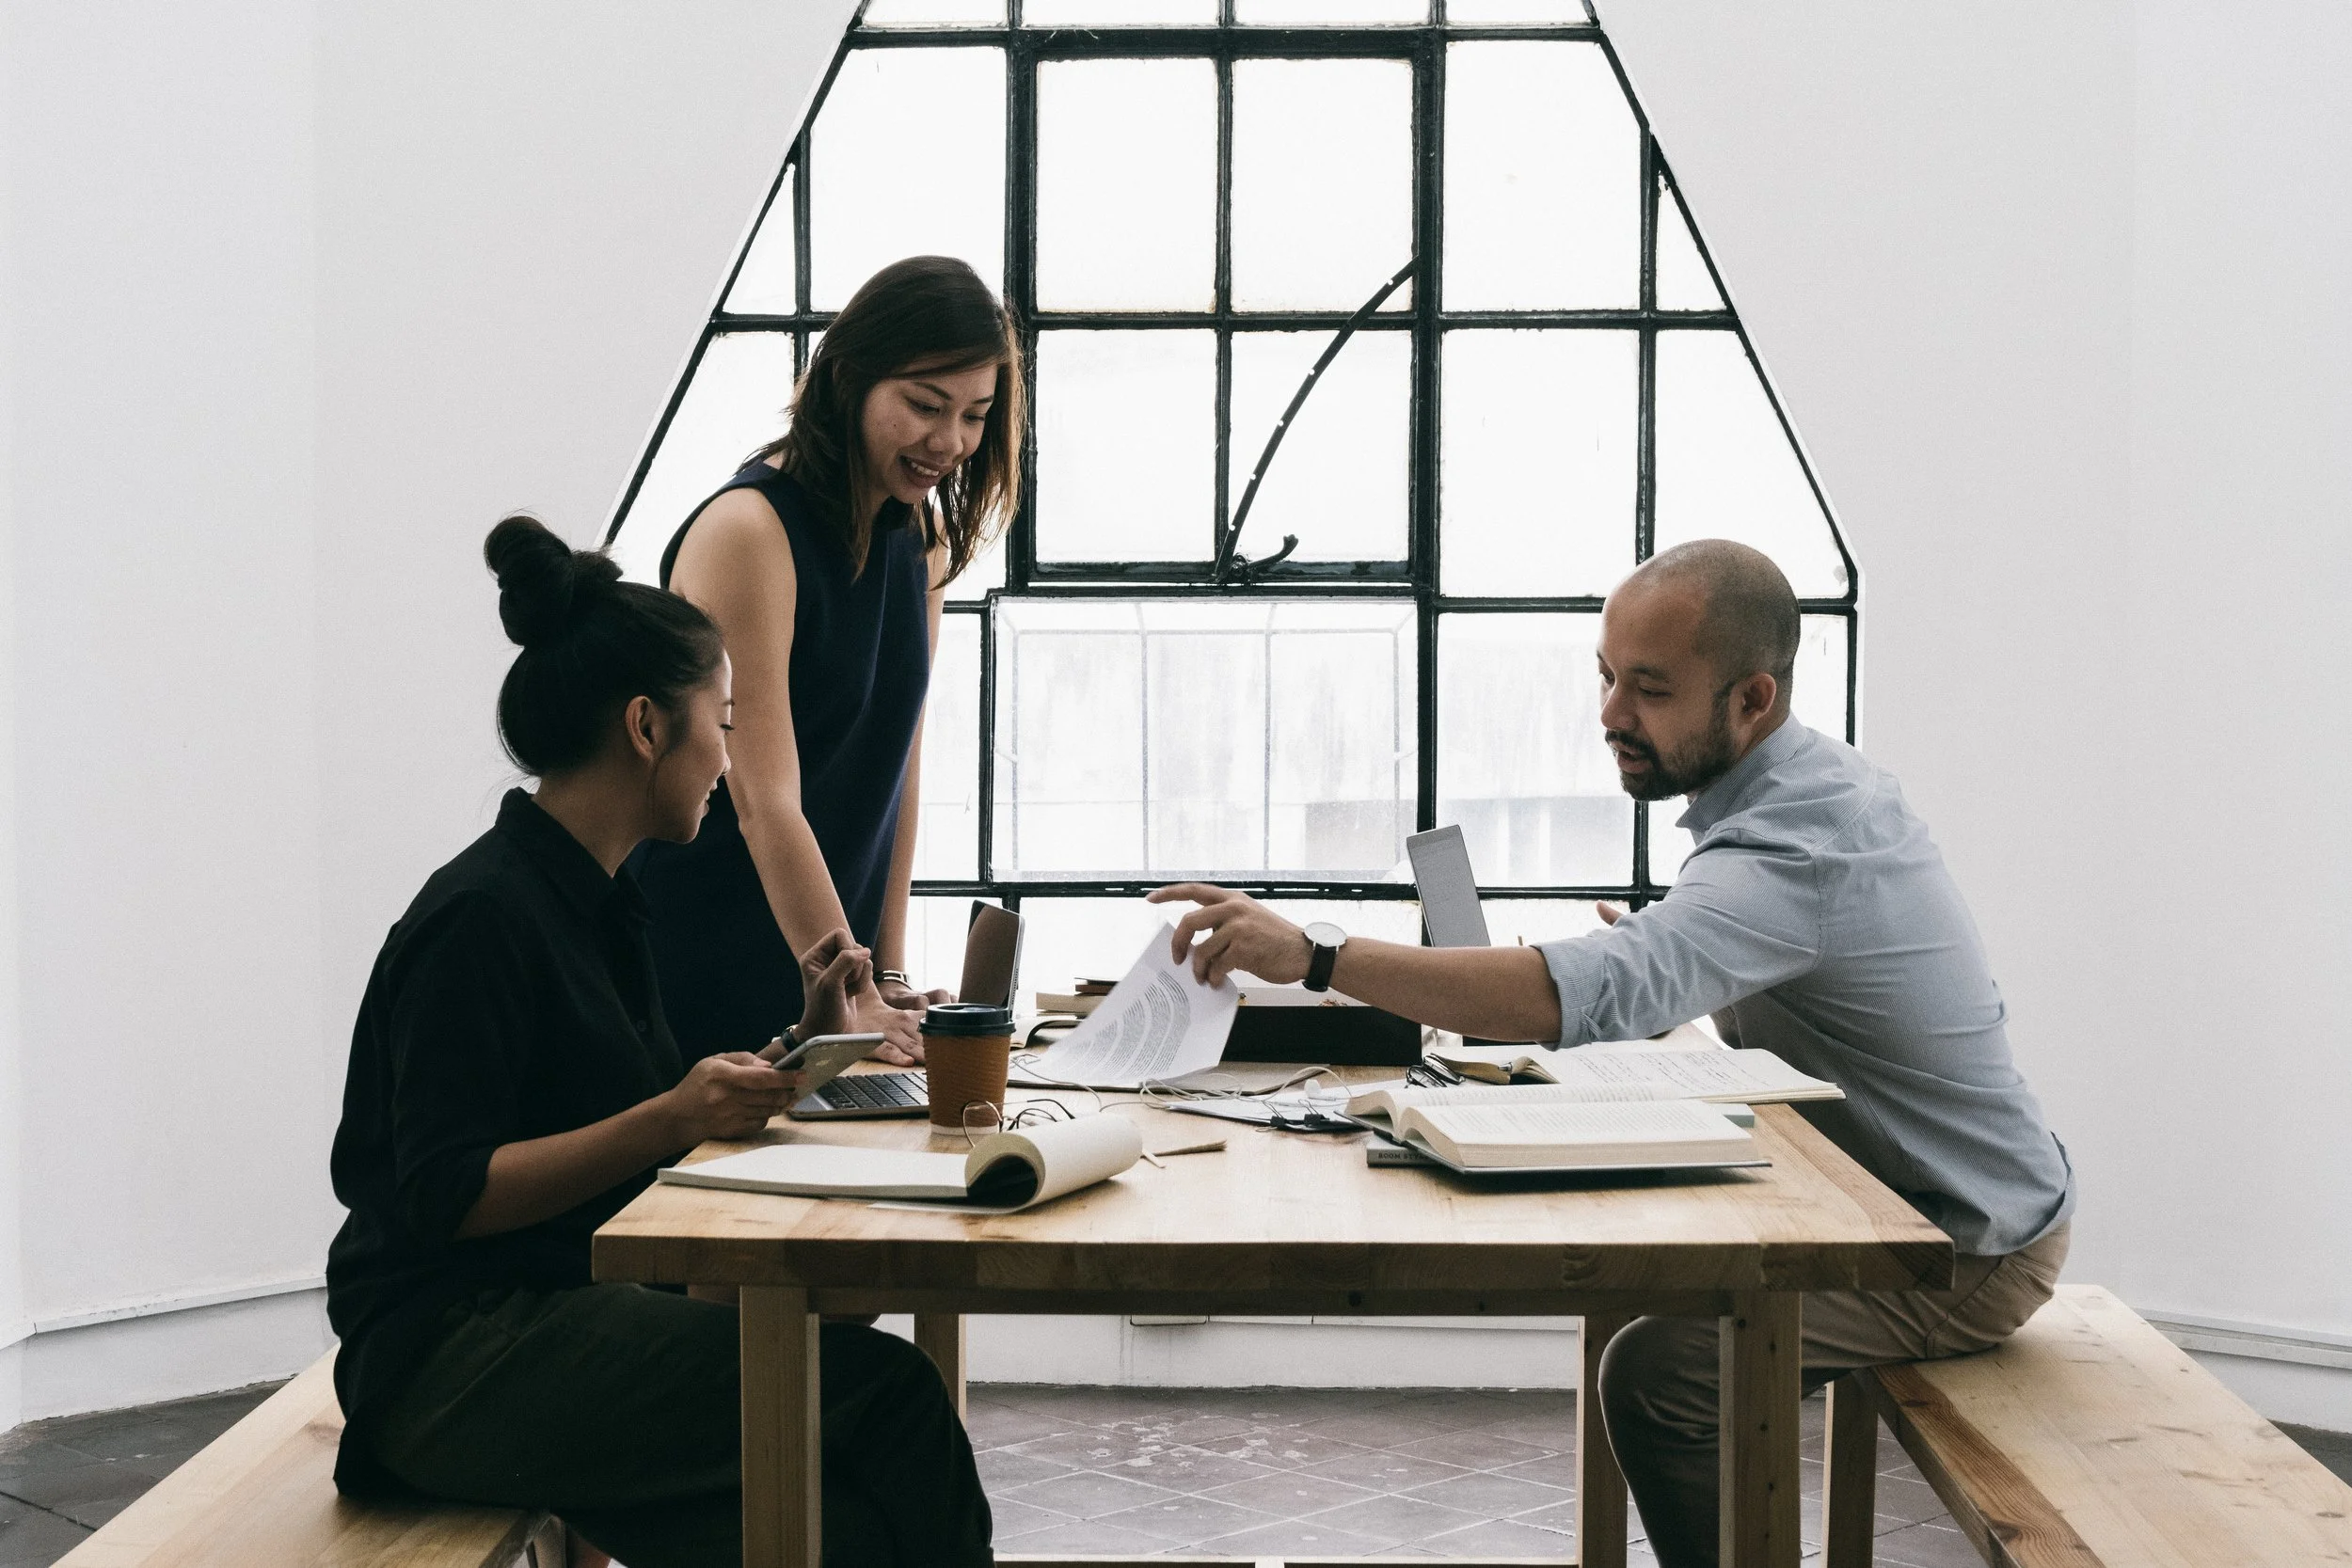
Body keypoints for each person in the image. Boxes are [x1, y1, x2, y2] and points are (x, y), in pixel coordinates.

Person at [1150, 539, 2074, 1568]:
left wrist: (1318, 954)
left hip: (1965, 1247)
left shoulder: (1795, 845)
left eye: (1650, 687)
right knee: (1650, 1277)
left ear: (1751, 697)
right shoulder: (1799, 794)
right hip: (1921, 1204)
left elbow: (1559, 996)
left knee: (1659, 1371)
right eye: (1604, 674)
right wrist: (1677, 947)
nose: (1610, 714)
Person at [325, 515, 993, 1568]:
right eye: (720, 723)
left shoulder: (595, 898)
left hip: (551, 1318)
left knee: (849, 1530)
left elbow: (634, 1101)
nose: (729, 759)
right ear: (646, 726)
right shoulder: (484, 915)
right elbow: (446, 1192)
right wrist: (671, 1114)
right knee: (888, 1392)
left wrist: (798, 1044)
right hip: (452, 1355)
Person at [635, 255, 1025, 1067]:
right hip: (704, 958)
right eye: (924, 404)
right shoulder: (748, 532)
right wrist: (850, 995)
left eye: (976, 415)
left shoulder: (920, 544)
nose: (950, 441)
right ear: (848, 379)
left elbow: (895, 772)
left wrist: (884, 970)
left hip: (827, 969)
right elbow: (764, 800)